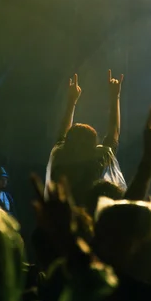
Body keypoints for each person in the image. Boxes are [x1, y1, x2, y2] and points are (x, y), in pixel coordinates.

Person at [46, 70, 127, 207]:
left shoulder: (60, 157)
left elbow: (61, 136)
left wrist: (71, 101)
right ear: (93, 145)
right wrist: (115, 97)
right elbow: (114, 133)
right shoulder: (97, 162)